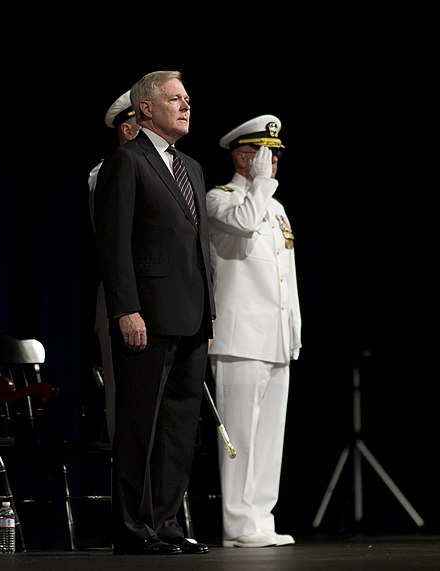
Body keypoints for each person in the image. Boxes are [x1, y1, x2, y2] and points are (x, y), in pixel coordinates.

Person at [93, 70, 215, 556]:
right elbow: (113, 244)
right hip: (148, 317)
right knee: (140, 424)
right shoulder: (126, 160)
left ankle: (165, 525)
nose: (186, 106)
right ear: (145, 108)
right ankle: (131, 528)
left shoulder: (193, 167)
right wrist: (126, 309)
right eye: (174, 99)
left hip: (192, 318)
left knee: (179, 431)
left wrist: (210, 318)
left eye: (187, 99)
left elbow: (198, 249)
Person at [205, 115, 301, 548]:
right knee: (240, 436)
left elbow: (285, 276)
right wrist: (260, 184)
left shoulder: (276, 208)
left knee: (269, 438)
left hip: (275, 338)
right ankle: (238, 524)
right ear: (243, 157)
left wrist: (293, 328)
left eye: (277, 154)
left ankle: (261, 518)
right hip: (239, 337)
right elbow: (243, 225)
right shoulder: (219, 199)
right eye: (266, 153)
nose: (274, 161)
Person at [88, 89, 140, 445]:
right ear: (127, 129)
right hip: (126, 299)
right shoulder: (104, 172)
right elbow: (115, 239)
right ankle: (129, 497)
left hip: (166, 303)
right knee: (127, 405)